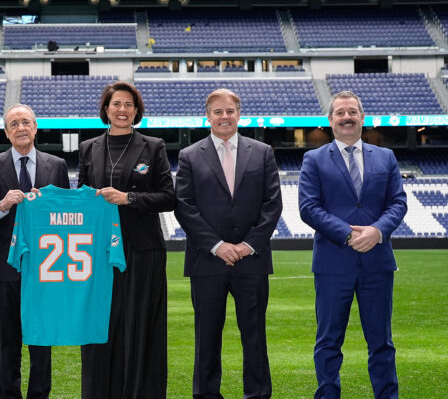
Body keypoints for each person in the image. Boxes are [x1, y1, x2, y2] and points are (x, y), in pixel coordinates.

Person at [298, 90, 407, 399]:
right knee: (329, 341)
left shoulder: (385, 157)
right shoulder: (314, 159)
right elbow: (309, 208)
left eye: (352, 112)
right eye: (340, 113)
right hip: (333, 263)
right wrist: (348, 234)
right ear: (331, 120)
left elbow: (397, 203)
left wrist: (377, 231)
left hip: (377, 262)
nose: (347, 117)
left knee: (381, 342)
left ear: (362, 117)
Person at [174, 88, 282, 399]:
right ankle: (206, 394)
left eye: (230, 111)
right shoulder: (190, 155)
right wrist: (217, 245)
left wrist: (248, 245)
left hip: (253, 260)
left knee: (254, 336)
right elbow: (185, 205)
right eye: (218, 112)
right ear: (207, 116)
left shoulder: (262, 152)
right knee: (206, 337)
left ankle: (258, 394)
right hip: (207, 262)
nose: (224, 117)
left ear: (239, 113)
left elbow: (272, 204)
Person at [78, 81, 176, 399]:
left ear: (137, 110)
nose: (123, 110)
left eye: (129, 104)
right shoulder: (88, 147)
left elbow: (168, 197)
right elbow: (81, 197)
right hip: (98, 253)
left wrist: (128, 198)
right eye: (116, 104)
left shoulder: (153, 146)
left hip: (142, 250)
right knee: (101, 325)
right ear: (106, 109)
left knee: (141, 326)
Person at [0, 104, 70, 399]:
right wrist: (3, 206)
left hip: (47, 266)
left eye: (25, 122)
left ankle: (39, 395)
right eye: (14, 123)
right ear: (6, 131)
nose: (20, 127)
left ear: (35, 127)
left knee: (42, 340)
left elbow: (66, 215)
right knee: (8, 340)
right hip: (6, 266)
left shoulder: (56, 165)